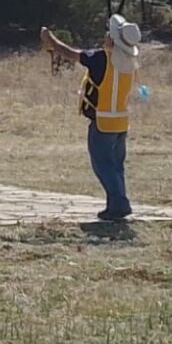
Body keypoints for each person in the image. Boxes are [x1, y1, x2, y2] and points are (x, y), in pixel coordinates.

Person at [39, 15, 142, 222]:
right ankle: (117, 202)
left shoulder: (101, 58)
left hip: (102, 122)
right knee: (116, 166)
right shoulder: (130, 62)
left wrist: (50, 40)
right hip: (121, 122)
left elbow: (70, 53)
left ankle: (119, 204)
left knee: (102, 165)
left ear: (112, 40)